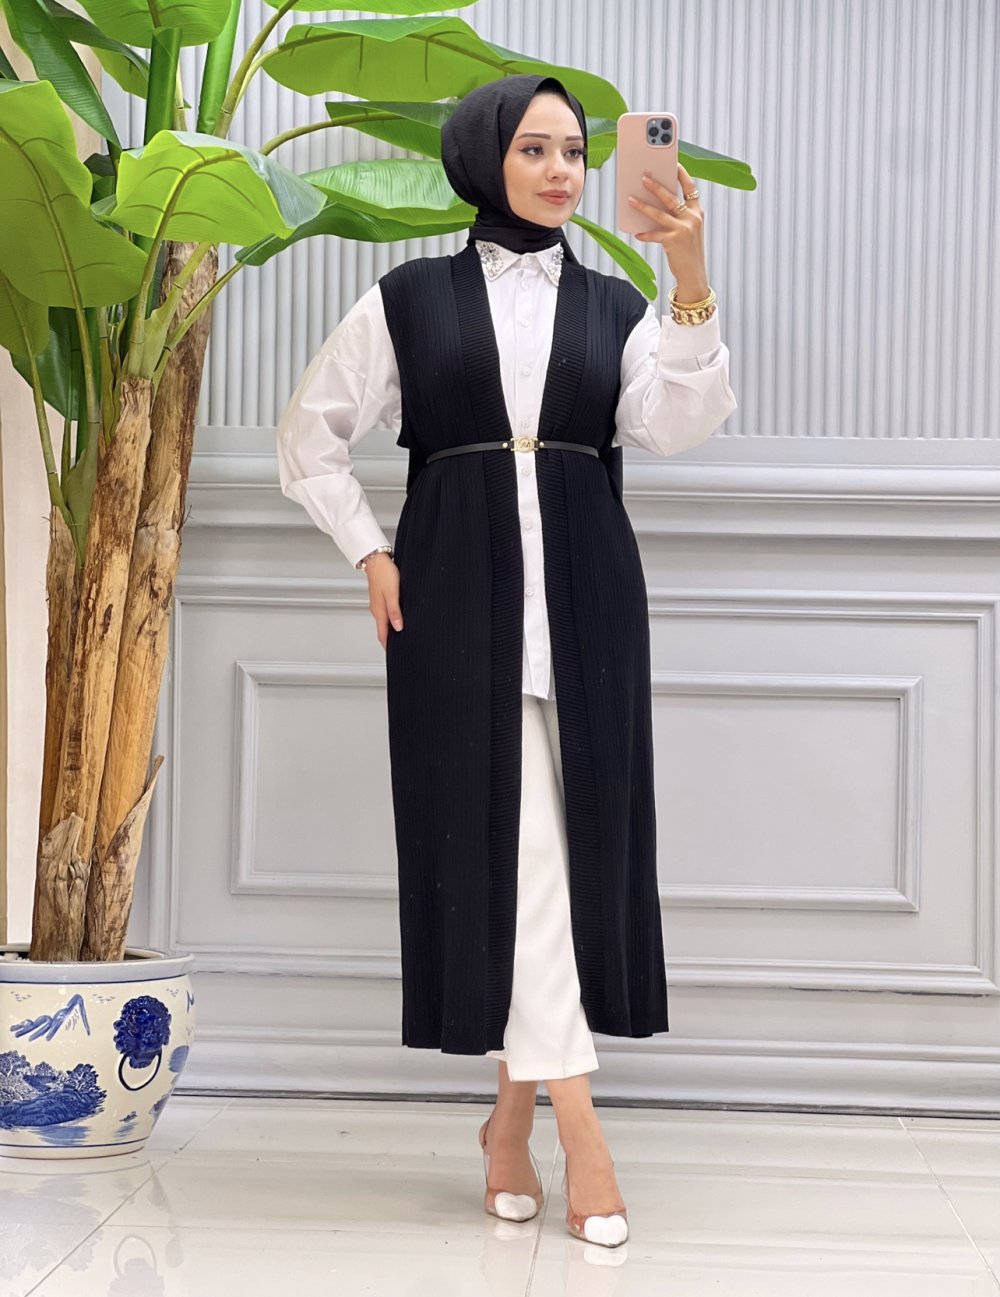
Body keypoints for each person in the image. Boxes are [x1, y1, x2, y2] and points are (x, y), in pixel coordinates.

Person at [277, 73, 736, 1247]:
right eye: (534, 148)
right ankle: (583, 1133)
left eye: (574, 151)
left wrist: (686, 273)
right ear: (485, 158)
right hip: (450, 593)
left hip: (589, 597)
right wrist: (369, 550)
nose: (560, 170)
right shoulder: (406, 300)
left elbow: (675, 424)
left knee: (559, 859)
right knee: (514, 851)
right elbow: (309, 437)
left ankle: (507, 1121)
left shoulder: (615, 303)